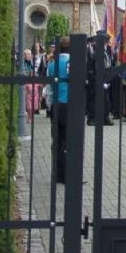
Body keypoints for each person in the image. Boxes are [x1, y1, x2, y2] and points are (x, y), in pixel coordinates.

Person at [48, 37, 71, 184]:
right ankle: (69, 173)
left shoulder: (52, 64)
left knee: (57, 141)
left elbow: (49, 88)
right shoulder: (72, 62)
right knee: (70, 142)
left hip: (56, 105)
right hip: (69, 105)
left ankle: (58, 173)